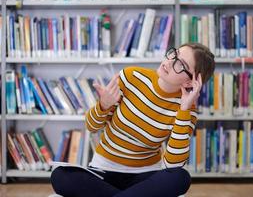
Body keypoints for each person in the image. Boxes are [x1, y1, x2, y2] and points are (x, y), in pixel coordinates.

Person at [51, 43, 215, 197]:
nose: (170, 62)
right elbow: (91, 126)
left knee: (180, 178)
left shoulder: (187, 110)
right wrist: (103, 105)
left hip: (144, 177)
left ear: (190, 81)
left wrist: (184, 110)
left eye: (181, 65)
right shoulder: (131, 77)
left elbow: (173, 165)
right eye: (174, 54)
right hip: (103, 170)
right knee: (60, 176)